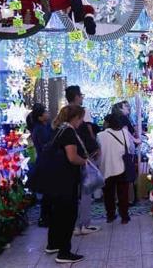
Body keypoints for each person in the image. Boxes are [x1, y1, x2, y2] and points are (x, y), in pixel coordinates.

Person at [46, 105, 87, 263]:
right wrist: (84, 161)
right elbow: (72, 157)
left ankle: (53, 244)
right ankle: (64, 252)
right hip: (66, 179)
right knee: (68, 214)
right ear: (75, 118)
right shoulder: (69, 131)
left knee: (57, 213)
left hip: (55, 178)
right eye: (81, 118)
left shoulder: (58, 129)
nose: (82, 122)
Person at [65, 85, 100, 235]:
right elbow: (89, 132)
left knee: (76, 192)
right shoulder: (82, 112)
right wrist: (96, 147)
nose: (82, 97)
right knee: (87, 190)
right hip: (85, 156)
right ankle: (83, 224)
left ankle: (78, 224)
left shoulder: (65, 112)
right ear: (77, 96)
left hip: (74, 156)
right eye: (81, 95)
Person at [97, 114, 137, 223]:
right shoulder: (124, 133)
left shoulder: (100, 135)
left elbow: (98, 151)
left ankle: (110, 215)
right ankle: (124, 216)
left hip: (106, 168)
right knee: (123, 194)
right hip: (122, 167)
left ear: (107, 123)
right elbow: (129, 147)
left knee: (108, 194)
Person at [28, 103, 53, 227]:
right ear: (40, 117)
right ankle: (44, 218)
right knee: (48, 192)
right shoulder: (39, 129)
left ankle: (47, 216)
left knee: (49, 192)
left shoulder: (46, 126)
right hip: (45, 163)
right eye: (45, 112)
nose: (48, 114)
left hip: (48, 161)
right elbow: (46, 146)